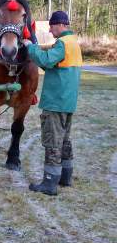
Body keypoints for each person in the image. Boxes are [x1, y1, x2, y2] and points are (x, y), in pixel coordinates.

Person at [23, 11, 83, 196]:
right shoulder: (73, 43)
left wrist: (30, 47)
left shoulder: (62, 44)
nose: (49, 29)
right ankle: (65, 177)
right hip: (67, 102)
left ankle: (49, 183)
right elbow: (52, 65)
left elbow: (47, 59)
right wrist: (38, 56)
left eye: (52, 25)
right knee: (64, 140)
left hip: (55, 102)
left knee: (52, 142)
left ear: (61, 25)